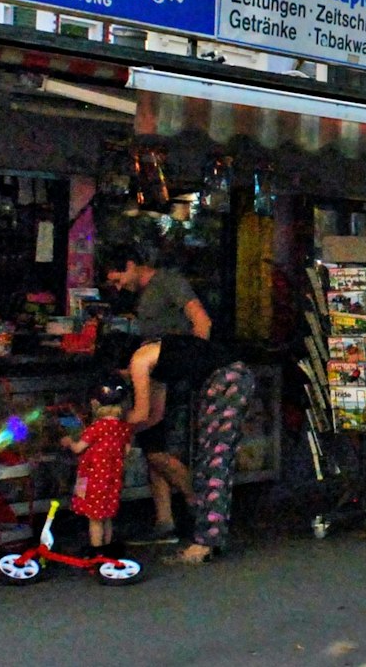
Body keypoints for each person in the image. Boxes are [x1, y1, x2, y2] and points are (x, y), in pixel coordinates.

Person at [101, 238, 210, 545]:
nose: (119, 287)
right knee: (152, 446)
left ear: (132, 266)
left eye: (118, 279)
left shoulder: (168, 282)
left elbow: (201, 320)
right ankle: (165, 521)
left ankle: (198, 504)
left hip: (174, 374)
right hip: (155, 375)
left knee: (160, 451)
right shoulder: (144, 294)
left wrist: (195, 364)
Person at [116, 334, 256, 566]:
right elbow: (154, 416)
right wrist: (126, 431)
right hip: (235, 377)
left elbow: (140, 413)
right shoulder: (158, 356)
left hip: (223, 380)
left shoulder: (139, 360)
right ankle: (209, 534)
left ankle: (205, 542)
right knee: (213, 458)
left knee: (214, 461)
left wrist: (109, 426)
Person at [63, 380, 130, 555]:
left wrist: (69, 442)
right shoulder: (122, 428)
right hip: (113, 478)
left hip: (94, 478)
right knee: (106, 516)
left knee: (94, 518)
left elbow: (79, 448)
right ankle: (107, 549)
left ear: (95, 404)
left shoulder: (96, 428)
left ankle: (96, 551)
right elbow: (127, 450)